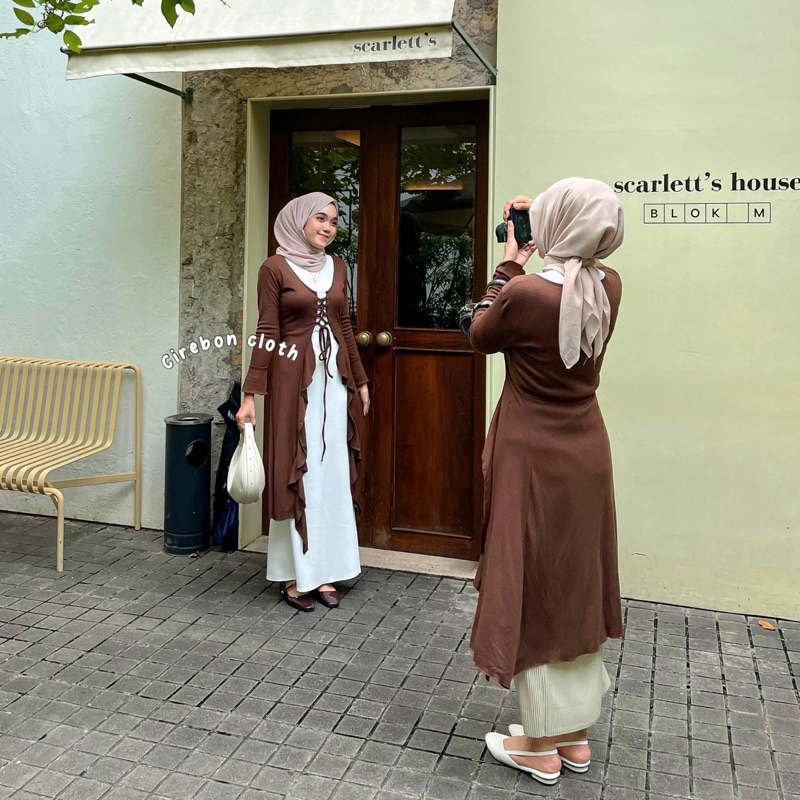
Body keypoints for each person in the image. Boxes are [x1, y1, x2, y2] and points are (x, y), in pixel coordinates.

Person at [461, 178, 625, 785]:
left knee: (531, 579)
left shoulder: (526, 292)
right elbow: (577, 263)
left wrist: (508, 262)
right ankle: (573, 735)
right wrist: (553, 224)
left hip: (530, 450)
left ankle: (538, 745)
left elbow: (478, 334)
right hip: (587, 451)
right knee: (574, 582)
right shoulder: (609, 284)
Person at [236, 192, 370, 612]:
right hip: (292, 384)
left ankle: (327, 570)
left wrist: (360, 381)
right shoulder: (273, 269)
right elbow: (267, 330)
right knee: (301, 470)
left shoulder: (338, 266)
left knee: (331, 471)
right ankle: (295, 575)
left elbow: (344, 325)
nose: (328, 227)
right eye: (320, 219)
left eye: (333, 221)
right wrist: (250, 393)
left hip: (334, 384)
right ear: (299, 221)